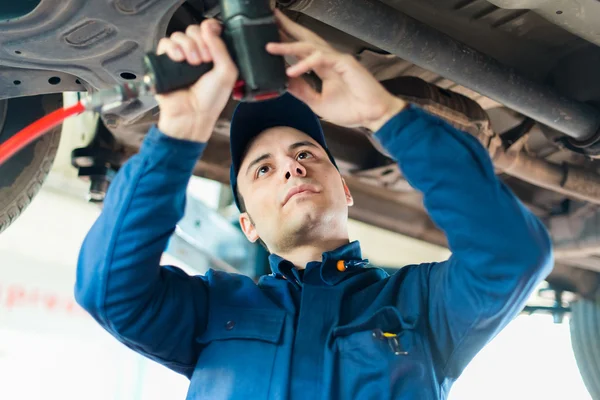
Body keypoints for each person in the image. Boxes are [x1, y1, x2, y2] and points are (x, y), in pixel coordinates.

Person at [75, 9, 553, 400]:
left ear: (345, 190)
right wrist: (177, 131)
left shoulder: (421, 307)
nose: (291, 167)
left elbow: (512, 256)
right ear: (248, 226)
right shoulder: (211, 311)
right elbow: (109, 292)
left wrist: (382, 114)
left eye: (305, 154)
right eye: (263, 168)